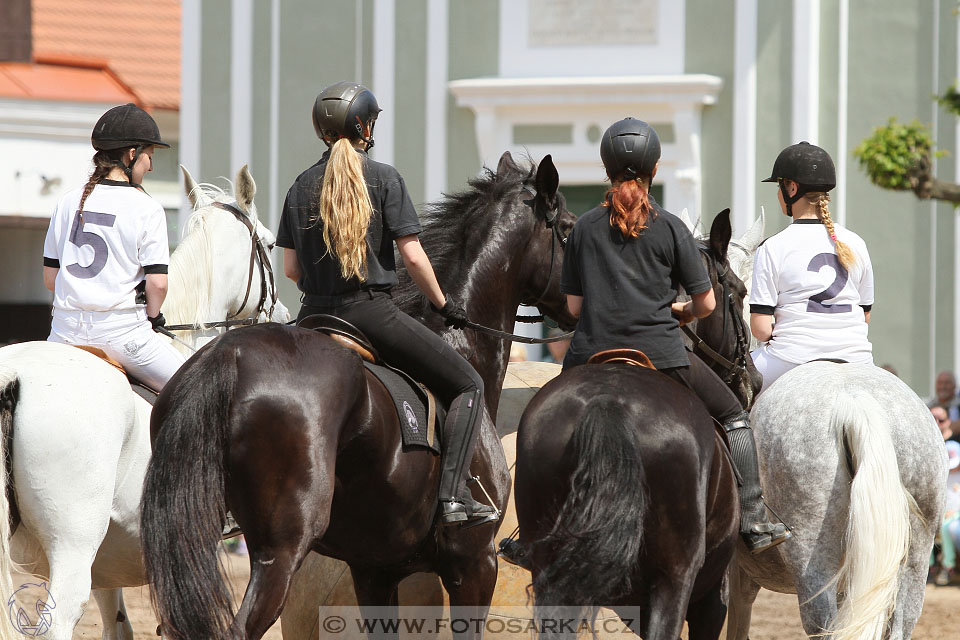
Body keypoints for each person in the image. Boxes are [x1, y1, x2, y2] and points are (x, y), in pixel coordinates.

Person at [558, 117, 789, 553]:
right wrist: (679, 312)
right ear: (655, 170)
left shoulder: (583, 227)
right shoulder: (670, 227)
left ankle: (528, 532)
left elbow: (572, 308)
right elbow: (707, 304)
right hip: (662, 355)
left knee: (550, 420)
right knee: (734, 416)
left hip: (589, 355)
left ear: (606, 170)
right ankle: (754, 515)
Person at [276, 81, 496, 527]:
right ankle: (453, 499)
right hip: (369, 313)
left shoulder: (300, 186)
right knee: (469, 384)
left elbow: (292, 270)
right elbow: (413, 256)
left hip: (312, 316)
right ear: (364, 127)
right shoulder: (383, 177)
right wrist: (444, 304)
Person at [42, 103, 185, 392]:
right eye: (149, 156)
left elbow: (50, 279)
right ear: (132, 154)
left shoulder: (67, 201)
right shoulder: (147, 208)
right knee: (195, 386)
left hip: (64, 335)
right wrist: (154, 317)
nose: (151, 166)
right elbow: (157, 284)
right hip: (123, 337)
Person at [749, 142, 874, 394]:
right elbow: (864, 316)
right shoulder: (856, 243)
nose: (778, 194)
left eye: (779, 186)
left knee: (728, 393)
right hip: (857, 357)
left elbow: (760, 330)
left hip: (791, 357)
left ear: (792, 188)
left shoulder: (773, 247)